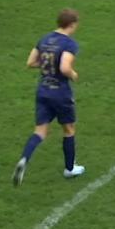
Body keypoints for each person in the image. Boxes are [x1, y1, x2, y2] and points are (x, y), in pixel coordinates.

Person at [11, 10, 86, 186]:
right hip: (60, 92)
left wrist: (46, 66)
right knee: (68, 129)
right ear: (73, 24)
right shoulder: (69, 44)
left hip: (43, 89)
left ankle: (24, 159)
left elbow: (30, 62)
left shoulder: (44, 39)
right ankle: (69, 168)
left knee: (40, 131)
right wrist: (73, 74)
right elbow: (64, 67)